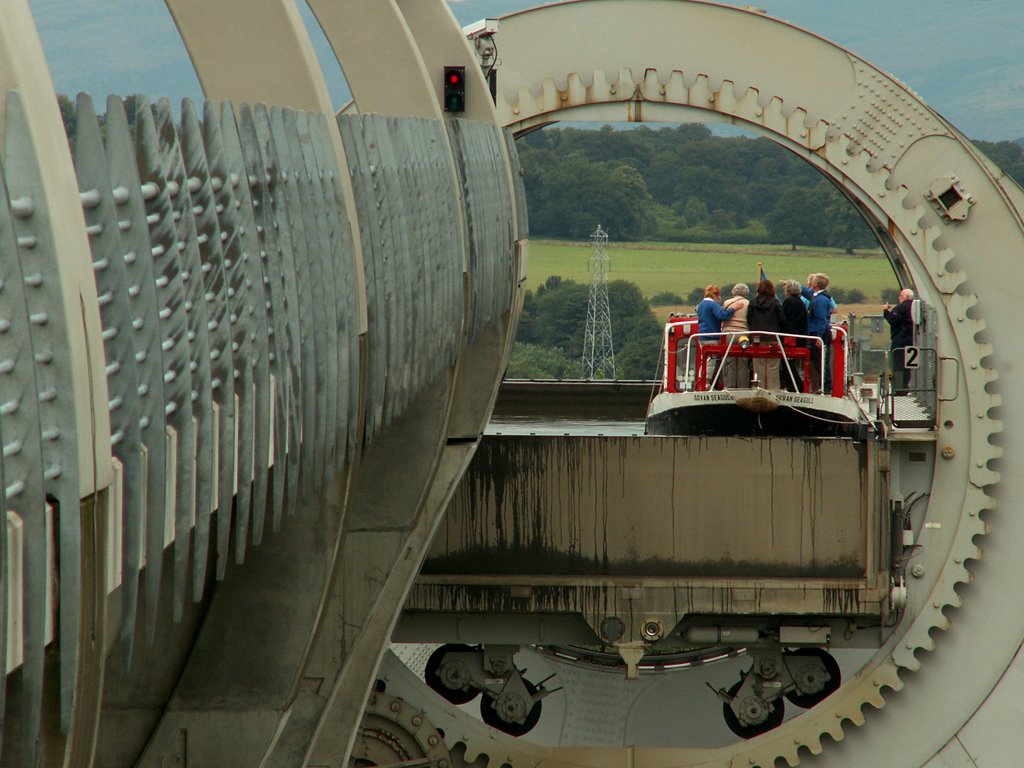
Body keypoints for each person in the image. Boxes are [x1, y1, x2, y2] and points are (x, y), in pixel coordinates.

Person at [747, 279, 785, 389]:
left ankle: (759, 388)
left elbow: (749, 319)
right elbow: (782, 319)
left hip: (757, 338)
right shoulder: (775, 302)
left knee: (759, 365)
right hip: (773, 337)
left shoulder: (753, 302)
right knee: (772, 366)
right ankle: (773, 391)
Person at [696, 284, 735, 387]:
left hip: (701, 336)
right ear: (717, 294)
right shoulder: (713, 305)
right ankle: (707, 382)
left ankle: (701, 379)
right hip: (712, 337)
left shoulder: (701, 305)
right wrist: (732, 309)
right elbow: (722, 316)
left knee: (704, 359)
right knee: (712, 361)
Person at [801, 273, 833, 394]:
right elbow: (806, 292)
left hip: (819, 334)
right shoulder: (817, 296)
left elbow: (821, 319)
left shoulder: (820, 300)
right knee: (819, 360)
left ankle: (826, 386)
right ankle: (824, 385)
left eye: (812, 281)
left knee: (822, 361)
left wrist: (819, 337)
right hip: (816, 333)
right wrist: (791, 283)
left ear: (815, 284)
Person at [883, 288, 915, 392]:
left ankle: (899, 389)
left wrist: (886, 311)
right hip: (913, 340)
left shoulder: (901, 307)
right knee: (909, 366)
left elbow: (893, 320)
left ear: (906, 297)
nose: (899, 298)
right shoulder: (916, 307)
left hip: (900, 339)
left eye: (900, 296)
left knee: (898, 365)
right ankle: (907, 386)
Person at [780, 279, 808, 392]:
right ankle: (795, 385)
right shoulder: (800, 302)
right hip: (800, 336)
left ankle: (795, 385)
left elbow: (783, 318)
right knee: (792, 362)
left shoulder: (788, 302)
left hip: (789, 338)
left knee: (787, 362)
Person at [721, 283, 750, 388]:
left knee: (729, 361)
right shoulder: (748, 303)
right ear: (746, 292)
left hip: (729, 334)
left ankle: (729, 387)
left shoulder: (727, 302)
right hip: (744, 335)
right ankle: (743, 387)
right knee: (743, 362)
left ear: (734, 292)